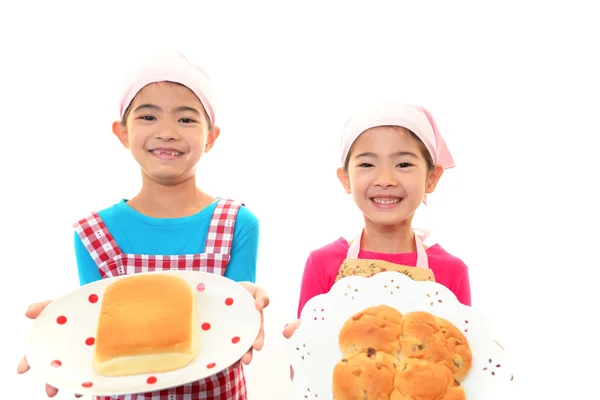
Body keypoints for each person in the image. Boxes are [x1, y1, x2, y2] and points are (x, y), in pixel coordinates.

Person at [16, 51, 269, 400]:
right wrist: (64, 333)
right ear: (123, 132)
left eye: (186, 119)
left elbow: (234, 325)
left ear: (211, 137)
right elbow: (101, 330)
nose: (166, 132)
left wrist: (248, 308)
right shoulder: (94, 233)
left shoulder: (238, 223)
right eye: (148, 116)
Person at [283, 102, 472, 375]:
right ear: (345, 178)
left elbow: (457, 368)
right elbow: (303, 373)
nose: (385, 179)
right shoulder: (323, 263)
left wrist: (480, 364)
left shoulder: (451, 271)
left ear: (432, 177)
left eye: (404, 164)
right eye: (367, 163)